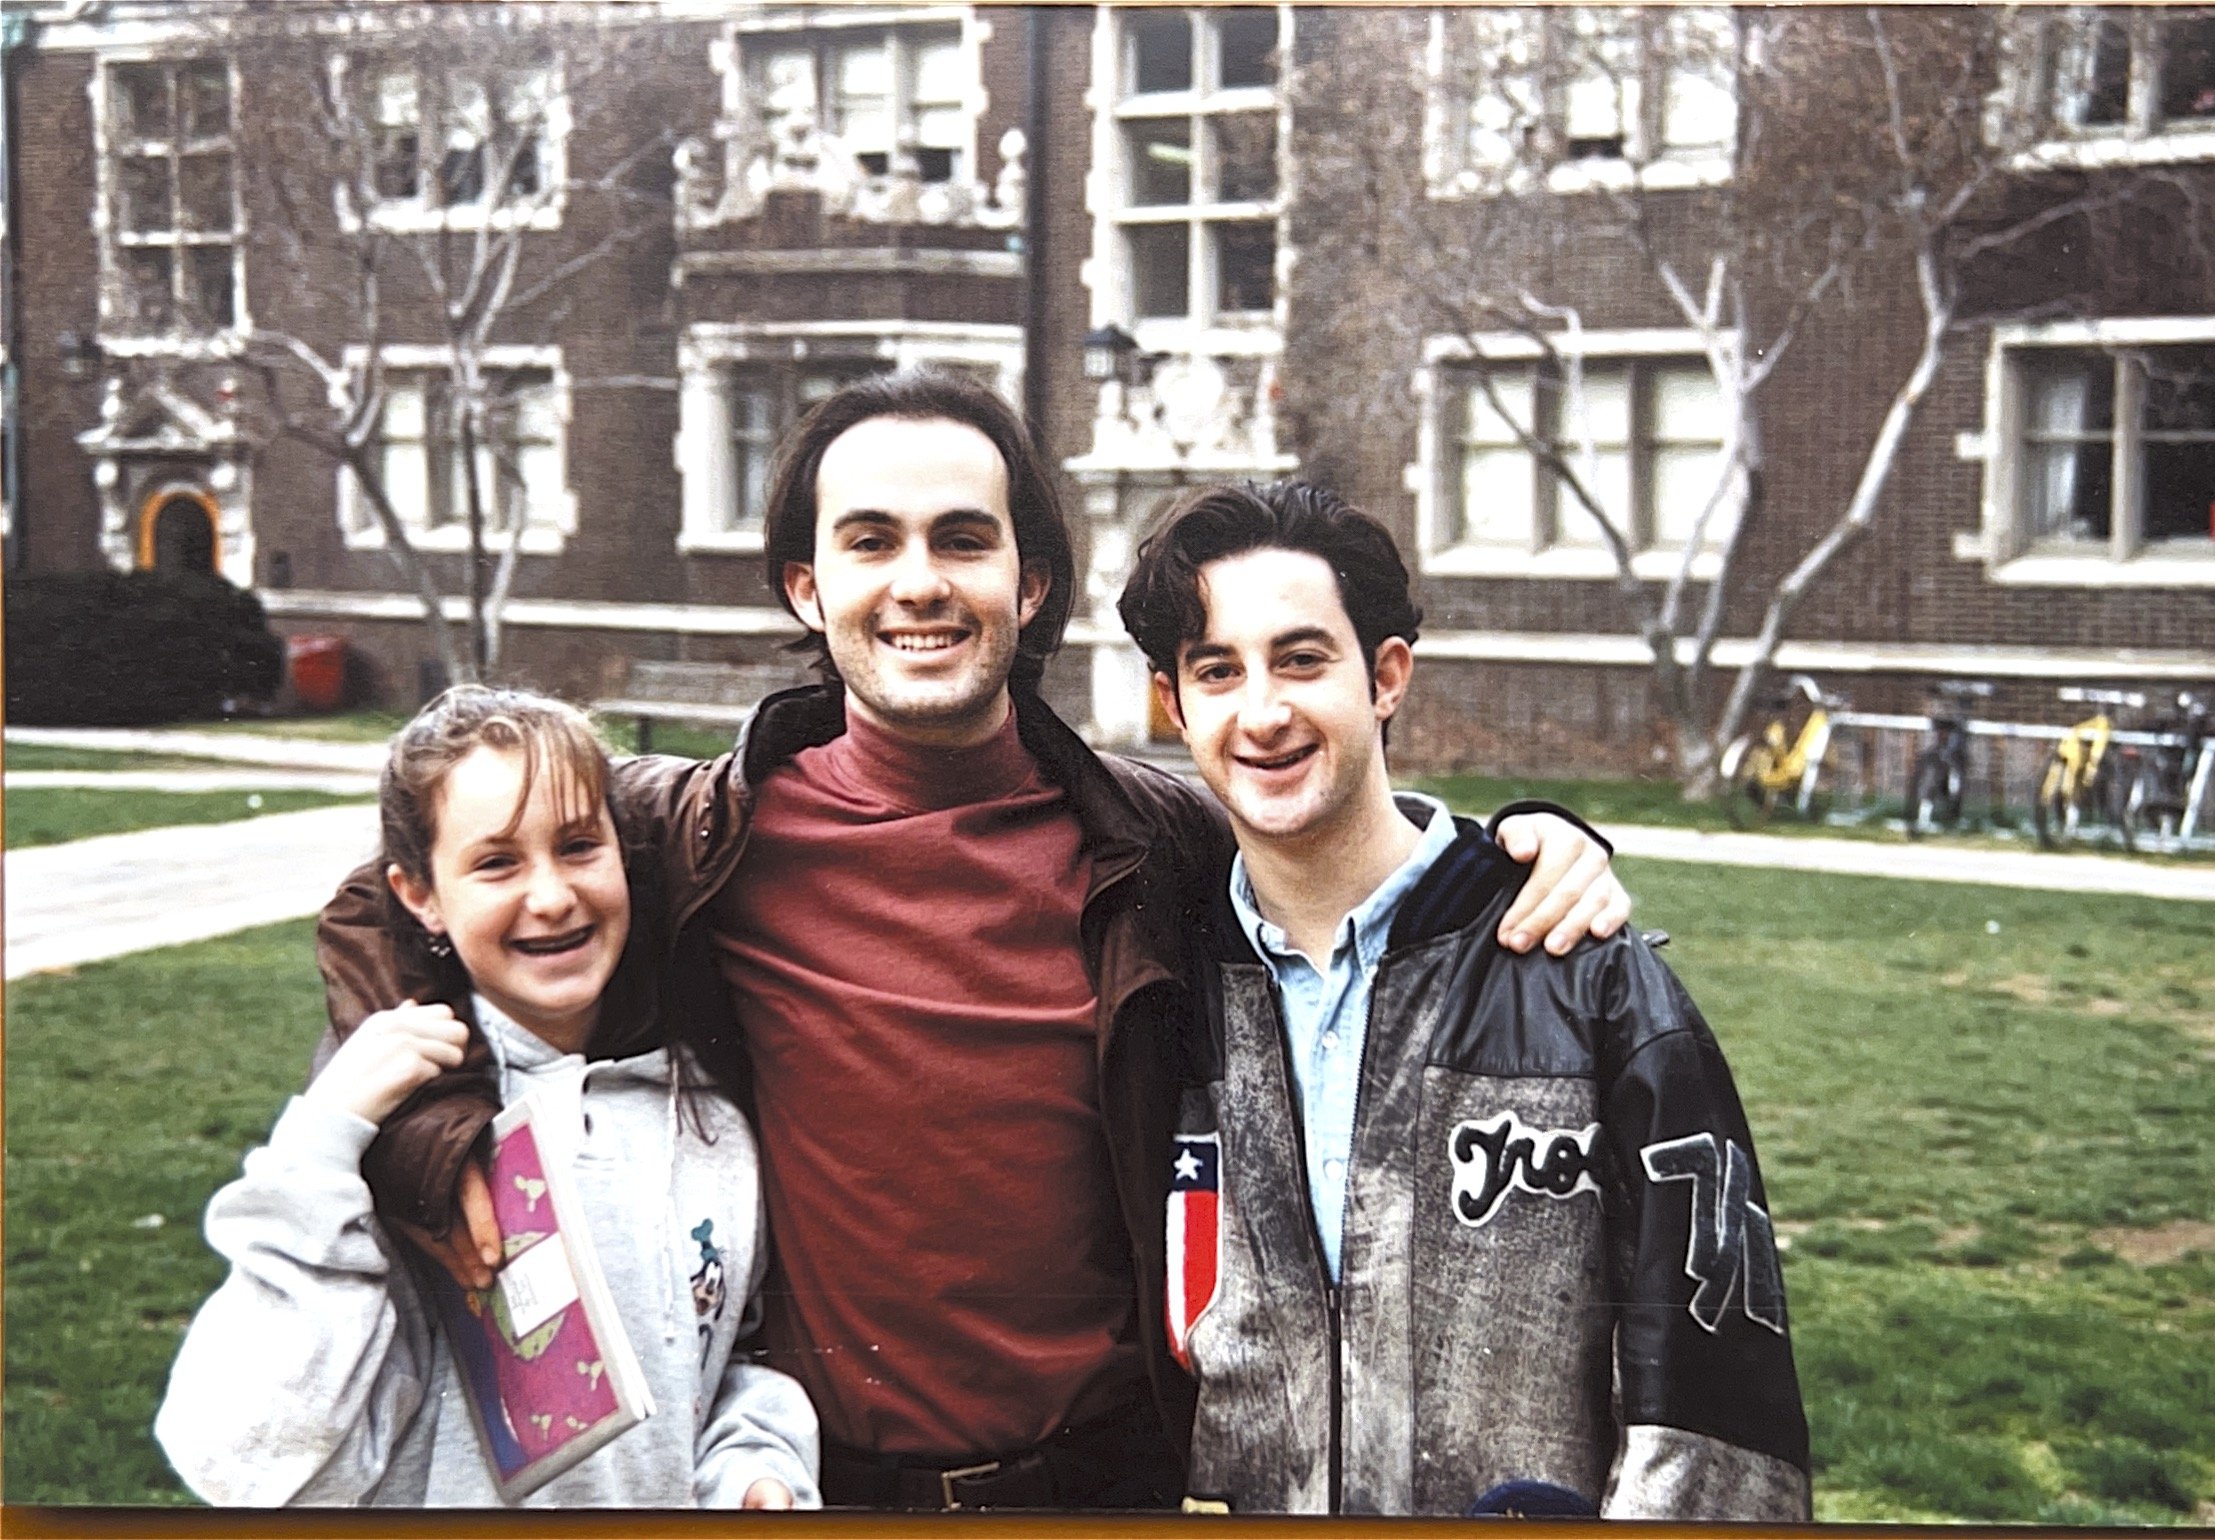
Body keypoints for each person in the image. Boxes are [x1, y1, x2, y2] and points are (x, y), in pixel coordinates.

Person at [311, 369, 1632, 1510]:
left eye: (961, 538)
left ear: (1028, 580)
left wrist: (1528, 843)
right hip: (812, 1484)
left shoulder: (1152, 837)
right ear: (807, 586)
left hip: (1108, 1485)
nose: (919, 582)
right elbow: (390, 898)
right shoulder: (693, 835)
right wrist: (426, 1129)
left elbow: (1348, 847)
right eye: (869, 541)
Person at [1116, 480, 1810, 1518]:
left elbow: (1716, 1419)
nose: (1261, 712)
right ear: (1175, 705)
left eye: (1302, 659)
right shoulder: (1160, 984)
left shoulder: (1579, 972)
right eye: (1218, 671)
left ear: (1385, 676)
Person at [157, 688, 821, 1509]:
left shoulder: (706, 1117)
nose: (552, 897)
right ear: (420, 895)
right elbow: (236, 1454)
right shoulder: (393, 1142)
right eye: (497, 863)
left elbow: (721, 1363)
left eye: (579, 846)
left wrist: (752, 1466)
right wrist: (321, 1145)